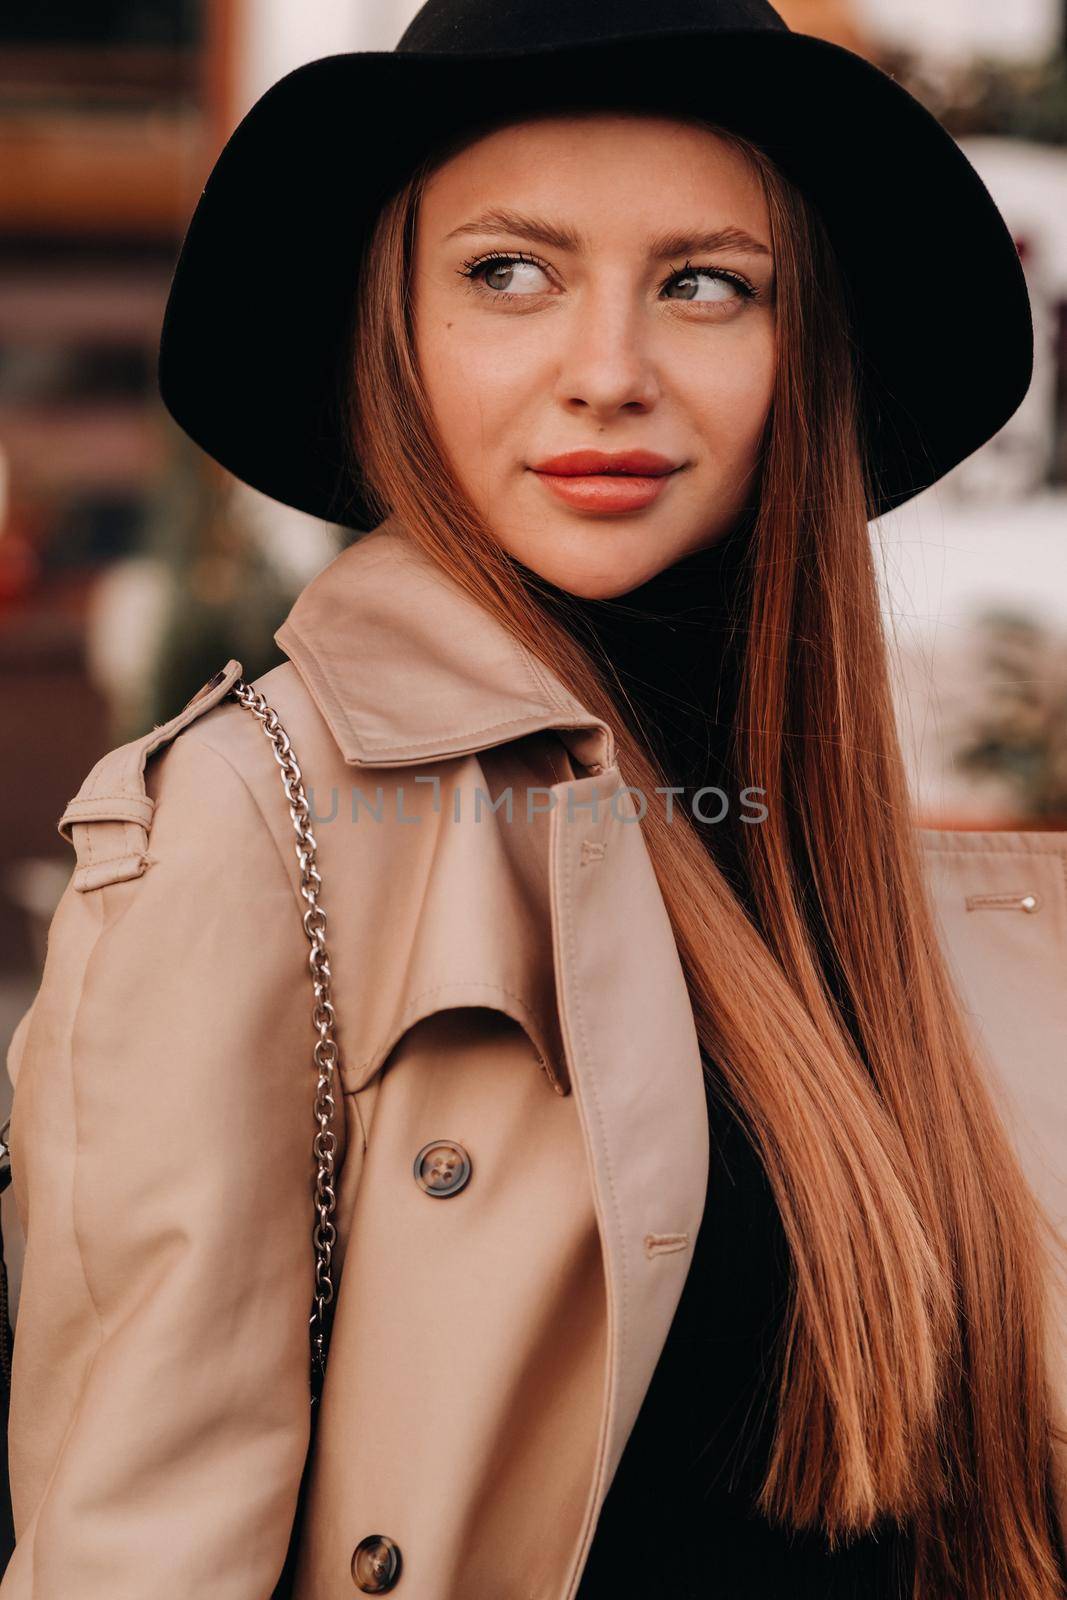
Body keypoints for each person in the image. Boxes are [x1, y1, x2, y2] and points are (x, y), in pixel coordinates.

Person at [4, 2, 1066, 1597]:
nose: (610, 374)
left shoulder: (855, 865)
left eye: (706, 283)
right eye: (511, 272)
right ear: (396, 329)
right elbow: (133, 1551)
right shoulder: (246, 820)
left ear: (804, 350)